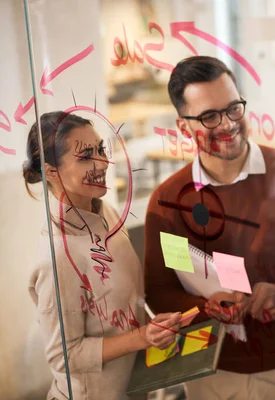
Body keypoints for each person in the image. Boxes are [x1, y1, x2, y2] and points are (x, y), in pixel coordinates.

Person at [144, 56, 275, 400]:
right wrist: (206, 306)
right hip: (210, 372)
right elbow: (160, 292)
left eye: (234, 108)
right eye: (209, 116)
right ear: (183, 128)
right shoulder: (168, 203)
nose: (227, 124)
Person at [24, 111, 181, 400]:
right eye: (85, 157)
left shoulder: (104, 210)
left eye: (100, 150)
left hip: (133, 386)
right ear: (51, 172)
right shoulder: (58, 255)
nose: (102, 163)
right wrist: (141, 338)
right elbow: (64, 356)